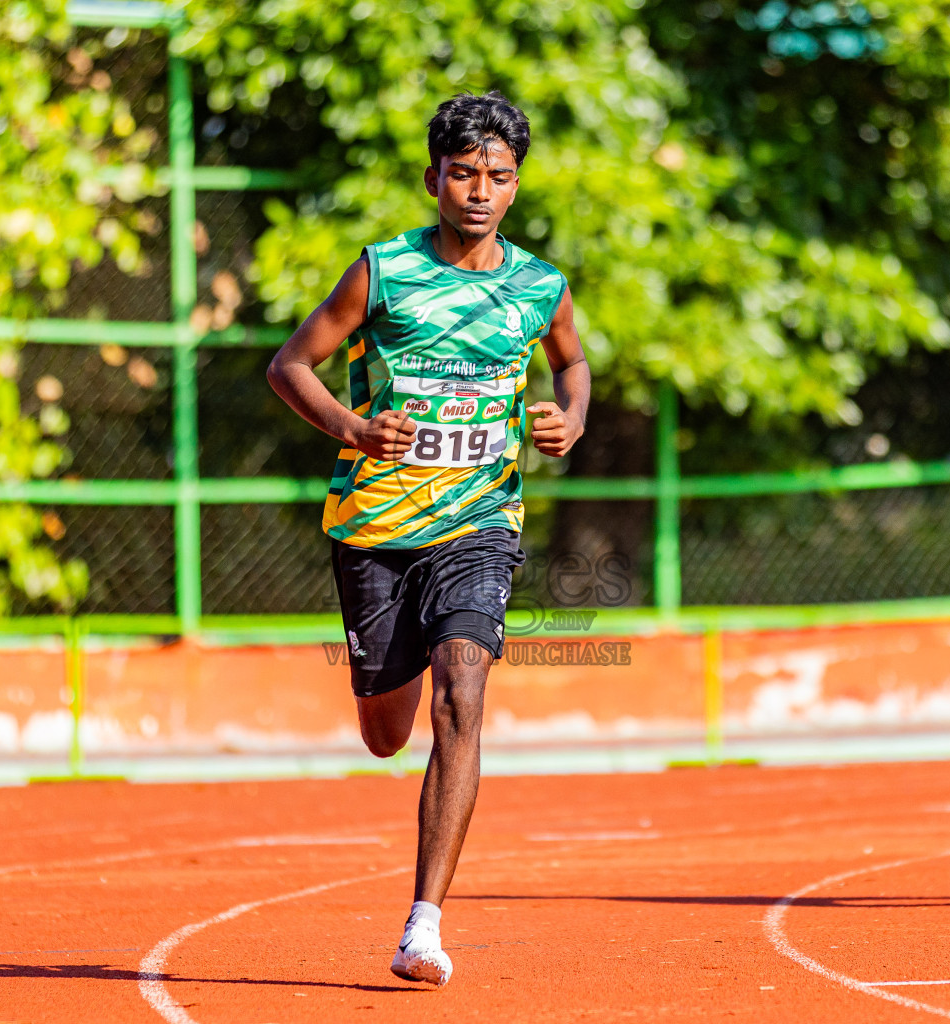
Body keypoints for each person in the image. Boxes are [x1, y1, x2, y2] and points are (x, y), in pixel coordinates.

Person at [267, 91, 589, 984]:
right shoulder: (384, 272)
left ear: (516, 186)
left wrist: (571, 416)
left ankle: (424, 924)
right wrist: (351, 428)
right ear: (433, 178)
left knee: (463, 694)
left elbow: (573, 361)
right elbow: (289, 364)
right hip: (375, 525)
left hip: (480, 521)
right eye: (463, 173)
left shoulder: (539, 286)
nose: (480, 191)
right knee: (385, 729)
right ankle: (380, 695)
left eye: (498, 176)